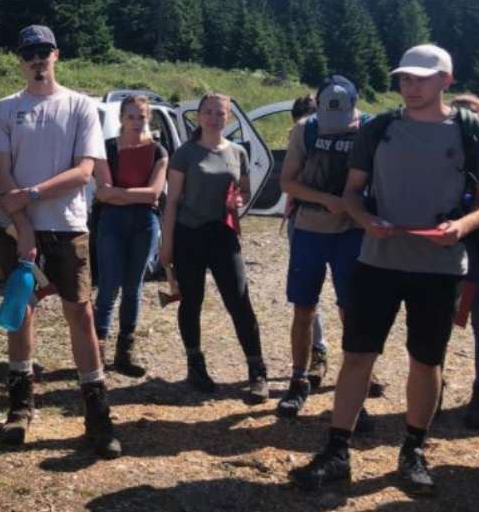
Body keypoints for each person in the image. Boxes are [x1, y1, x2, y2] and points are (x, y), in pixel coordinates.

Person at [291, 45, 479, 495]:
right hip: (377, 261)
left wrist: (461, 227)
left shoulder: (474, 132)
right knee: (358, 355)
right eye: (404, 77)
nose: (410, 85)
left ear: (447, 79)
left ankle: (414, 450)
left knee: (426, 359)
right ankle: (337, 450)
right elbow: (351, 194)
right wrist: (365, 221)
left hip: (439, 267)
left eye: (421, 78)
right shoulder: (379, 128)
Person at [0, 24, 121, 458]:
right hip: (19, 228)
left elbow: (86, 172)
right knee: (20, 313)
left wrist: (34, 194)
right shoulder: (5, 110)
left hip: (68, 226)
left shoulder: (81, 107)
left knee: (80, 316)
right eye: (29, 53)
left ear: (56, 55)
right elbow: (3, 175)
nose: (37, 59)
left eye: (44, 51)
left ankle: (98, 417)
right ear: (20, 60)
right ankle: (20, 408)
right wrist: (23, 221)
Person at [159, 92, 269, 403]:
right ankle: (196, 365)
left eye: (220, 113)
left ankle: (257, 371)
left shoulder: (238, 152)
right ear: (199, 116)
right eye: (208, 112)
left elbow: (243, 192)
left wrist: (238, 199)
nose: (214, 118)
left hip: (224, 235)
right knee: (191, 301)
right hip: (189, 235)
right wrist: (166, 245)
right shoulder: (185, 154)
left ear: (229, 117)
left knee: (239, 301)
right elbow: (172, 203)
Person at [277, 76, 375, 419]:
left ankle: (354, 390)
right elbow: (287, 181)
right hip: (310, 229)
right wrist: (327, 199)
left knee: (353, 310)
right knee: (304, 309)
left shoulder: (370, 128)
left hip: (352, 234)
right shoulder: (306, 130)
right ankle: (299, 380)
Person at [92, 94, 168, 378]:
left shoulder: (159, 151)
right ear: (121, 118)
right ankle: (96, 352)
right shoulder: (107, 149)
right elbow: (102, 191)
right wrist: (134, 196)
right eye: (131, 116)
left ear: (149, 118)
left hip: (145, 224)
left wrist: (118, 194)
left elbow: (154, 193)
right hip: (112, 222)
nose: (137, 122)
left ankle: (125, 352)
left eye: (142, 117)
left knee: (133, 288)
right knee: (109, 286)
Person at [449, 92, 479, 429]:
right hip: (443, 250)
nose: (466, 122)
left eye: (473, 115)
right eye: (458, 113)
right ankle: (431, 388)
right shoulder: (437, 153)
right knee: (436, 321)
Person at [286, 93, 330, 381]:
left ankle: (363, 362)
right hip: (304, 220)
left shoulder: (347, 134)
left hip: (342, 221)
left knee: (351, 299)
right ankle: (317, 352)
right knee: (307, 299)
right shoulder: (299, 136)